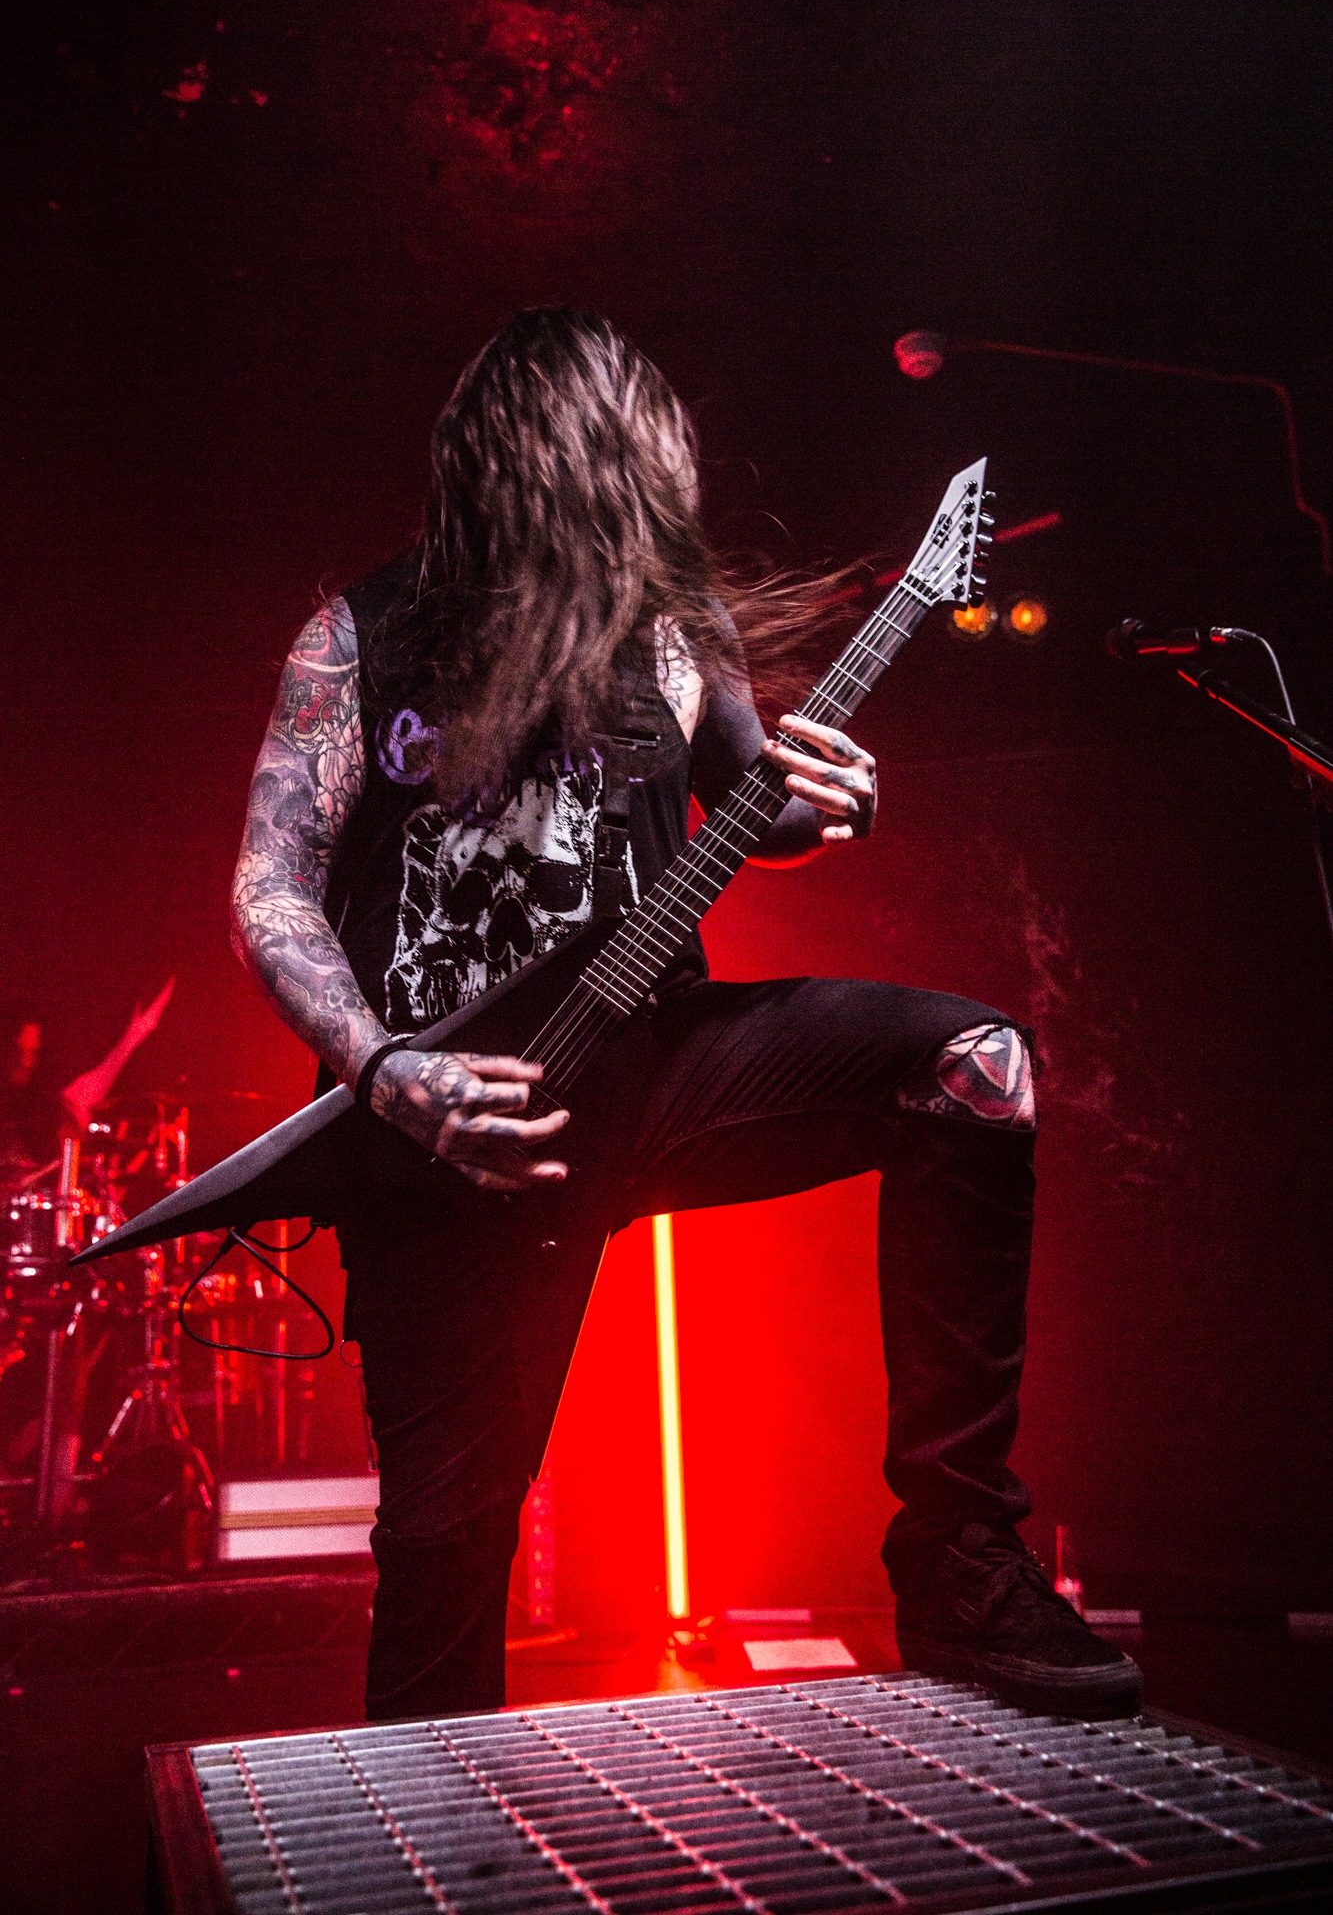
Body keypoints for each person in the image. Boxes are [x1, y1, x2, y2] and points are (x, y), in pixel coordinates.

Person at [231, 308, 1141, 1722]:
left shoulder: (670, 629)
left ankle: (958, 1549)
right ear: (539, 454)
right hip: (447, 1135)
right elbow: (271, 885)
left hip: (654, 1064)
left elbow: (751, 804)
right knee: (445, 1561)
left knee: (975, 1064)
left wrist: (831, 800)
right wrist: (388, 1071)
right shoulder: (360, 638)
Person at [0, 981, 176, 1187]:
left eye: (32, 1054)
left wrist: (135, 1034)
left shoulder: (43, 1103)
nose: (26, 1063)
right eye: (20, 1054)